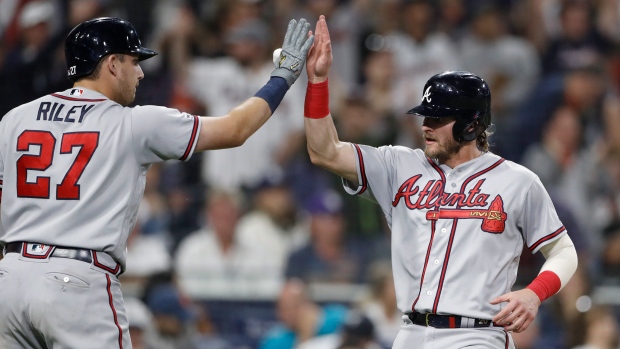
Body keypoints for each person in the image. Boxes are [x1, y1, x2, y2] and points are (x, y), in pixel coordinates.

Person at [0, 16, 313, 348]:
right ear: (111, 64)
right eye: (133, 61)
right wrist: (283, 76)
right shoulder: (136, 123)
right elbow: (235, 129)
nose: (141, 72)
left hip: (10, 279)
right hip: (76, 282)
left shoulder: (16, 118)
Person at [303, 16, 579, 348]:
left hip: (476, 334)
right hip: (409, 334)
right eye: (426, 115)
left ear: (471, 124)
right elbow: (324, 152)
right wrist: (318, 81)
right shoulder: (398, 165)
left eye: (439, 117)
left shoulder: (517, 182)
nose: (426, 125)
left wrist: (535, 293)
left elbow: (563, 251)